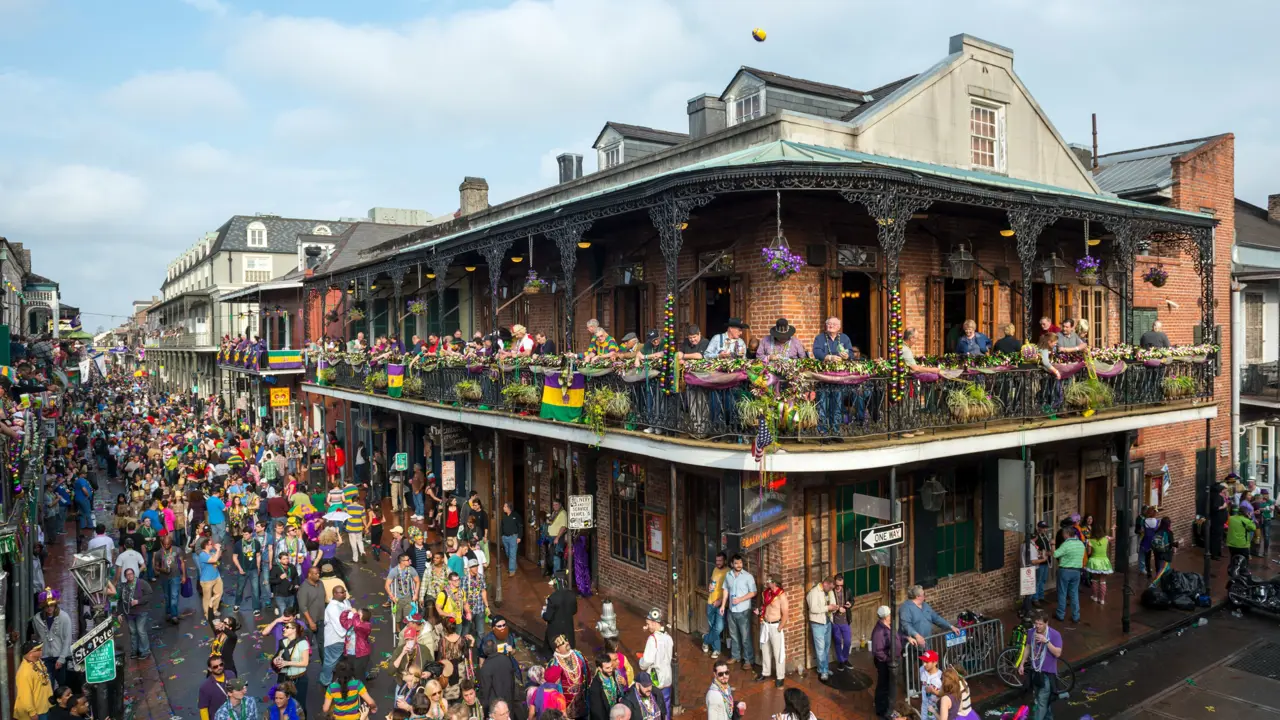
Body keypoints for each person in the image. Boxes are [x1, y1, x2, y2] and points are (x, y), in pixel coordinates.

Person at [1017, 611, 1062, 720]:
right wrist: (1022, 663)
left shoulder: (1055, 635)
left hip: (1047, 673)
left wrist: (1046, 642)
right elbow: (1028, 647)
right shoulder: (1032, 632)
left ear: (1047, 623)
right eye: (1036, 623)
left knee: (1042, 701)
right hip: (1035, 671)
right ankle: (1049, 718)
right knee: (1039, 697)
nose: (1037, 626)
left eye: (1040, 624)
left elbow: (1058, 653)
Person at [30, 589, 72, 686]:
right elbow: (38, 637)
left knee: (63, 686)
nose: (49, 608)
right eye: (47, 606)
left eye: (52, 605)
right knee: (48, 687)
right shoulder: (36, 619)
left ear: (55, 604)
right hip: (45, 657)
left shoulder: (64, 617)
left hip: (60, 656)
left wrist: (61, 658)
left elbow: (67, 639)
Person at [722, 554, 756, 671]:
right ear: (732, 564)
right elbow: (726, 589)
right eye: (736, 563)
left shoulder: (748, 577)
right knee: (733, 635)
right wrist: (723, 605)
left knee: (745, 636)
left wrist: (740, 599)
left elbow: (753, 592)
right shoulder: (728, 575)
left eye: (740, 563)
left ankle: (748, 660)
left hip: (743, 611)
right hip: (731, 610)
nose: (739, 565)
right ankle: (735, 656)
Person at [271, 621, 311, 711]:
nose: (283, 629)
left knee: (300, 705)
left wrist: (287, 663)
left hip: (299, 679)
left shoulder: (302, 643)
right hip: (284, 678)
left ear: (294, 630)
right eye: (284, 627)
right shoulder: (283, 642)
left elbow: (305, 663)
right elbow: (277, 655)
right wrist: (276, 660)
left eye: (287, 627)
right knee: (283, 704)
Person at [756, 575, 788, 687]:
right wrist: (759, 611)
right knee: (765, 650)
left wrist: (780, 627)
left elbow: (785, 614)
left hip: (775, 626)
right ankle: (765, 672)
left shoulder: (781, 596)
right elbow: (764, 607)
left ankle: (780, 676)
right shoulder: (766, 593)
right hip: (765, 624)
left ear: (774, 583)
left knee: (778, 652)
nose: (767, 582)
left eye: (769, 581)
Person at [639, 609, 674, 708]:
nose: (647, 626)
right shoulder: (668, 637)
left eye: (648, 623)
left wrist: (641, 662)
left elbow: (647, 661)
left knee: (656, 707)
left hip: (656, 680)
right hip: (667, 678)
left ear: (654, 623)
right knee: (666, 705)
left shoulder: (652, 639)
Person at [116, 567, 154, 659]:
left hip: (141, 611)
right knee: (133, 632)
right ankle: (135, 651)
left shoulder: (141, 583)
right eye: (127, 575)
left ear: (134, 574)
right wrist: (119, 613)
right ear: (125, 576)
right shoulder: (123, 587)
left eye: (131, 574)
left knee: (140, 630)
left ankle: (145, 651)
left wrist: (138, 601)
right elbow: (120, 600)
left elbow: (149, 595)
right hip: (129, 613)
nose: (130, 576)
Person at [321, 584, 353, 686]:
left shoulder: (345, 601)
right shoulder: (332, 608)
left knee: (341, 660)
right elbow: (339, 626)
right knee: (330, 661)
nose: (345, 594)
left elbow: (350, 613)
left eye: (345, 591)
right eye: (342, 592)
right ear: (335, 594)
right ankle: (325, 681)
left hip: (345, 638)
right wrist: (346, 633)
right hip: (335, 639)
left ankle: (342, 677)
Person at [870, 605, 899, 720]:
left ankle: (887, 706)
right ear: (885, 617)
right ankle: (881, 709)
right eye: (889, 614)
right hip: (884, 663)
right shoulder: (879, 632)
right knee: (883, 685)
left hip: (891, 660)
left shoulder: (888, 626)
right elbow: (878, 652)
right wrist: (889, 659)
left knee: (888, 684)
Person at [805, 576, 836, 681]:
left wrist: (834, 608)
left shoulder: (830, 592)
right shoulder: (814, 592)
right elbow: (813, 609)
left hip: (827, 622)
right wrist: (828, 608)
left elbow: (833, 603)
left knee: (826, 647)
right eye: (830, 588)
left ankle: (824, 668)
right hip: (818, 623)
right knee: (820, 649)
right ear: (825, 583)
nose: (831, 590)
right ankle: (823, 671)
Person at [1053, 527, 1086, 624]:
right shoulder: (1080, 544)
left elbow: (1055, 554)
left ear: (1067, 533)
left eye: (1064, 534)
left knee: (1062, 593)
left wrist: (1053, 544)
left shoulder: (1066, 544)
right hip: (1076, 571)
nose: (1063, 536)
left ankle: (1060, 615)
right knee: (1074, 594)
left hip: (1065, 571)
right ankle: (1076, 616)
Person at [14, 641, 52, 720]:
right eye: (38, 649)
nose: (41, 650)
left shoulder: (38, 662)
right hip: (36, 713)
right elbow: (25, 695)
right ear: (30, 653)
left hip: (45, 707)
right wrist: (32, 713)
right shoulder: (24, 672)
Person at [702, 551, 728, 658]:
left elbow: (729, 590)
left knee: (719, 628)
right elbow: (713, 582)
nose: (718, 562)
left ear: (725, 561)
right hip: (710, 602)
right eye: (717, 560)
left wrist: (721, 601)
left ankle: (705, 639)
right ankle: (716, 650)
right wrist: (710, 587)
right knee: (713, 627)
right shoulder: (715, 569)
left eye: (720, 560)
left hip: (721, 604)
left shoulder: (729, 572)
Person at [543, 573, 578, 651]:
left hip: (555, 631)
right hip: (568, 628)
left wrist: (543, 613)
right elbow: (574, 610)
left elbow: (548, 617)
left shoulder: (553, 598)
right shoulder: (572, 595)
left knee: (554, 650)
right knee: (569, 648)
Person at [386, 553, 421, 628]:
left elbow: (417, 581)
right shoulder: (394, 571)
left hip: (408, 597)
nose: (410, 561)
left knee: (408, 617)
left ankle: (407, 630)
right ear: (402, 561)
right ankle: (398, 629)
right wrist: (392, 597)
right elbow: (387, 585)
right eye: (408, 560)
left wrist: (416, 594)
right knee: (397, 617)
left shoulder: (411, 569)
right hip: (397, 598)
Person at [196, 536, 224, 625]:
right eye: (210, 544)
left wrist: (219, 550)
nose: (212, 544)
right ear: (206, 545)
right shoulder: (202, 555)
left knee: (219, 593)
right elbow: (214, 559)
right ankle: (208, 614)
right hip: (207, 580)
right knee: (207, 598)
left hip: (216, 576)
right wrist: (218, 550)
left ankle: (214, 609)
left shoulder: (211, 551)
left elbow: (219, 557)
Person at [199, 655, 236, 720]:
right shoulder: (205, 687)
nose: (219, 667)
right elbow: (203, 709)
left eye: (221, 664)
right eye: (215, 667)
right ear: (210, 669)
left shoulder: (231, 675)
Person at [1086, 522, 1114, 604]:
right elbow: (1113, 538)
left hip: (1094, 561)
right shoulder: (1106, 538)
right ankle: (1102, 600)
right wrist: (1113, 530)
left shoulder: (1090, 540)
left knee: (1094, 580)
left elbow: (1089, 553)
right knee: (1103, 581)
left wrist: (1088, 546)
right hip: (1104, 561)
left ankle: (1095, 597)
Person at [918, 650, 942, 720]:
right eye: (923, 661)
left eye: (927, 662)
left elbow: (945, 695)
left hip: (936, 710)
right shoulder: (922, 669)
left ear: (935, 663)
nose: (924, 664)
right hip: (924, 709)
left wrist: (933, 691)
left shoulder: (941, 677)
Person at [500, 502, 522, 577]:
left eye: (504, 507)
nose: (503, 508)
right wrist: (501, 535)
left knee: (512, 553)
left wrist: (519, 537)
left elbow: (520, 526)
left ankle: (511, 570)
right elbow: (501, 526)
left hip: (513, 537)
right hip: (505, 537)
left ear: (509, 508)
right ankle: (514, 565)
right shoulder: (504, 515)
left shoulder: (516, 515)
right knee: (508, 553)